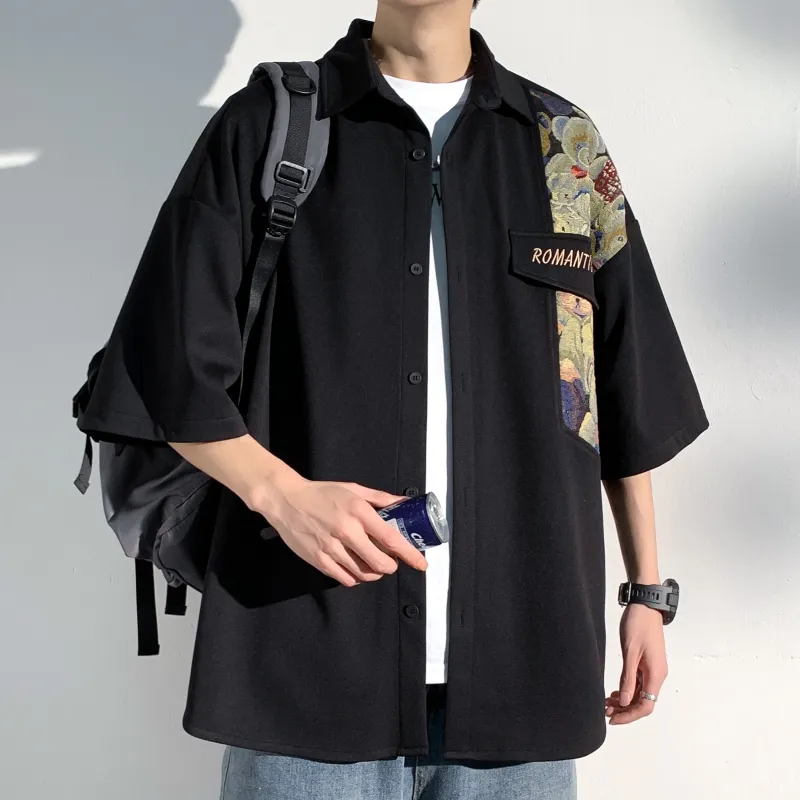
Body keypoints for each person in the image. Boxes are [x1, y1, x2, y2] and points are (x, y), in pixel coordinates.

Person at [77, 1, 709, 798]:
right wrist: (282, 496)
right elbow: (159, 363)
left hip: (524, 671)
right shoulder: (272, 124)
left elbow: (617, 389)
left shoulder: (564, 146)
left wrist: (648, 593)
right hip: (305, 666)